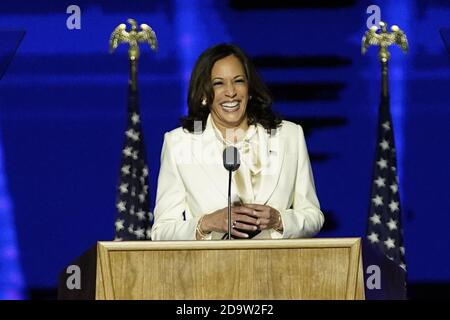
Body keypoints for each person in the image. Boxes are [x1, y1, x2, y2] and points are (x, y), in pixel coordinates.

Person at [150, 44, 324, 240]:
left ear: (249, 90)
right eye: (218, 83)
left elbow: (313, 216)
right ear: (204, 95)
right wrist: (206, 224)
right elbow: (161, 232)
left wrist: (279, 220)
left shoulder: (289, 136)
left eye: (238, 81)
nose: (230, 92)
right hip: (210, 267)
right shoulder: (179, 143)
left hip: (278, 266)